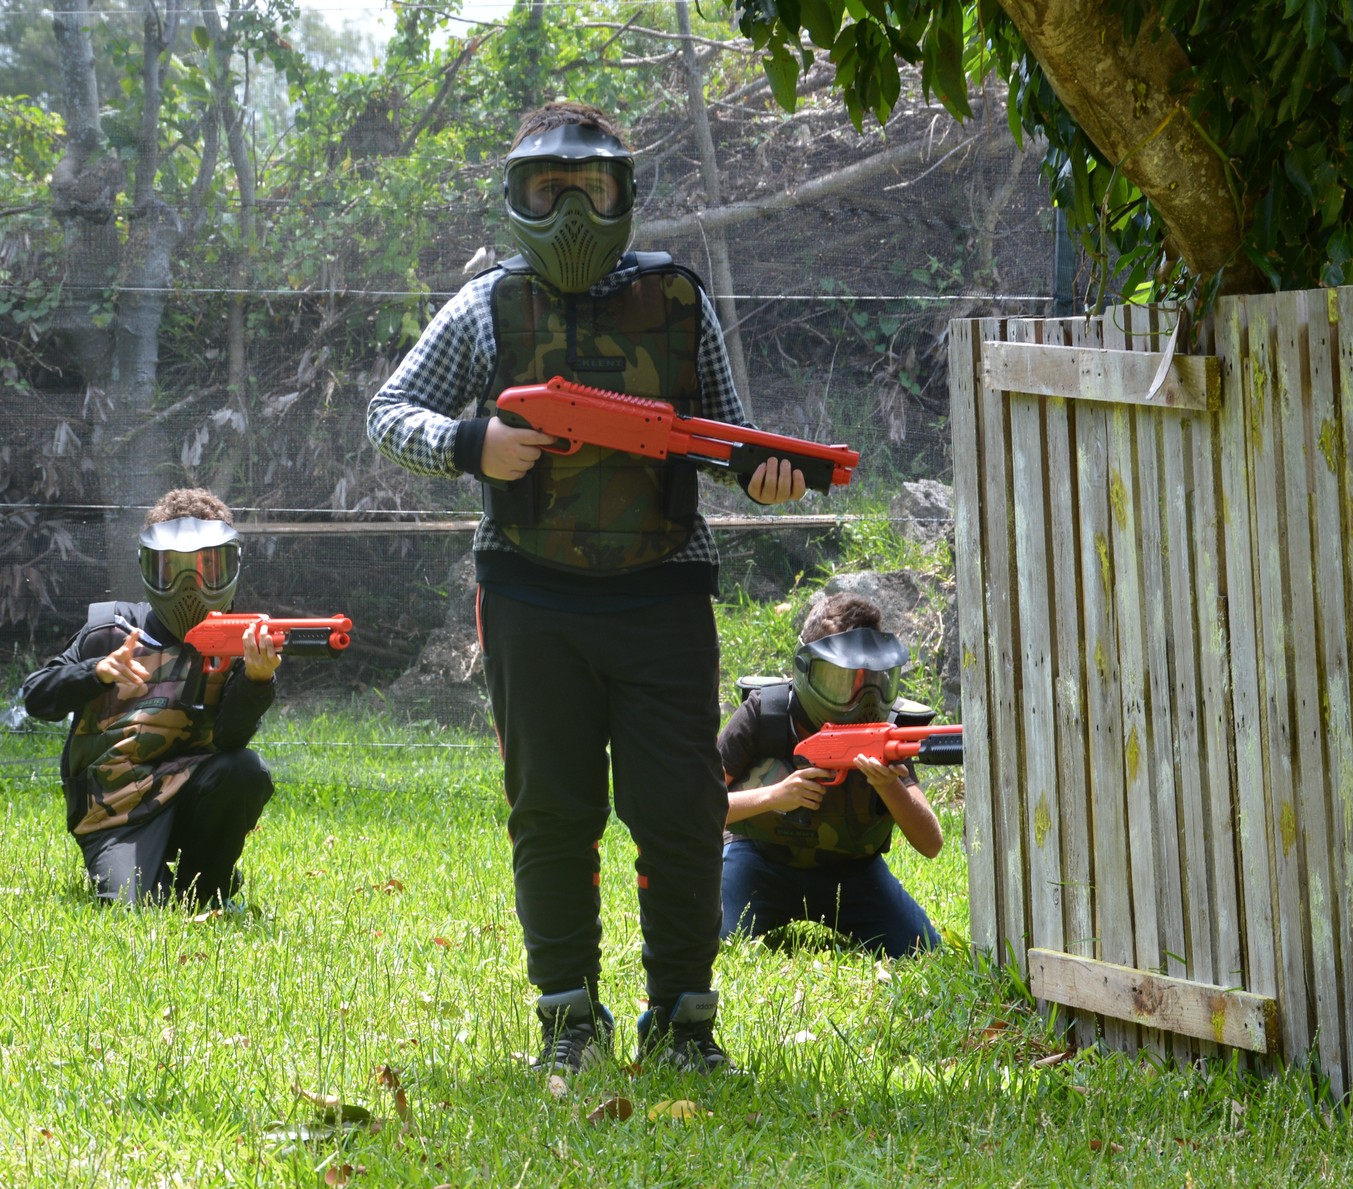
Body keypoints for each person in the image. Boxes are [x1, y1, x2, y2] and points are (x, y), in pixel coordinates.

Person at [367, 100, 806, 1076]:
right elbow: (388, 412)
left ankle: (683, 1021)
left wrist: (764, 471)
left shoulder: (678, 301)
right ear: (516, 194)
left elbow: (731, 438)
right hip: (531, 597)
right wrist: (468, 441)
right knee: (551, 809)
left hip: (662, 594)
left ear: (623, 193)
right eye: (546, 190)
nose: (568, 212)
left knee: (681, 809)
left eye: (590, 189)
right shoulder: (486, 306)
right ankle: (567, 1017)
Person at [20, 488, 279, 908]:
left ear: (231, 568)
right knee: (135, 909)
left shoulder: (238, 644)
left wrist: (256, 681)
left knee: (245, 770)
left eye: (207, 570)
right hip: (116, 812)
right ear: (148, 568)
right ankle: (157, 876)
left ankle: (208, 885)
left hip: (191, 794)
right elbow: (37, 698)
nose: (189, 588)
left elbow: (231, 744)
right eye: (171, 570)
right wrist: (97, 672)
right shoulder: (112, 631)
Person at [717, 594, 943, 957]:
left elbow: (931, 844)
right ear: (806, 670)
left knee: (923, 950)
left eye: (874, 681)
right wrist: (776, 796)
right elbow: (695, 809)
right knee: (712, 942)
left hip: (852, 874)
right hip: (759, 863)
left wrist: (889, 786)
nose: (863, 699)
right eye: (843, 682)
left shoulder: (884, 731)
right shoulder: (766, 713)